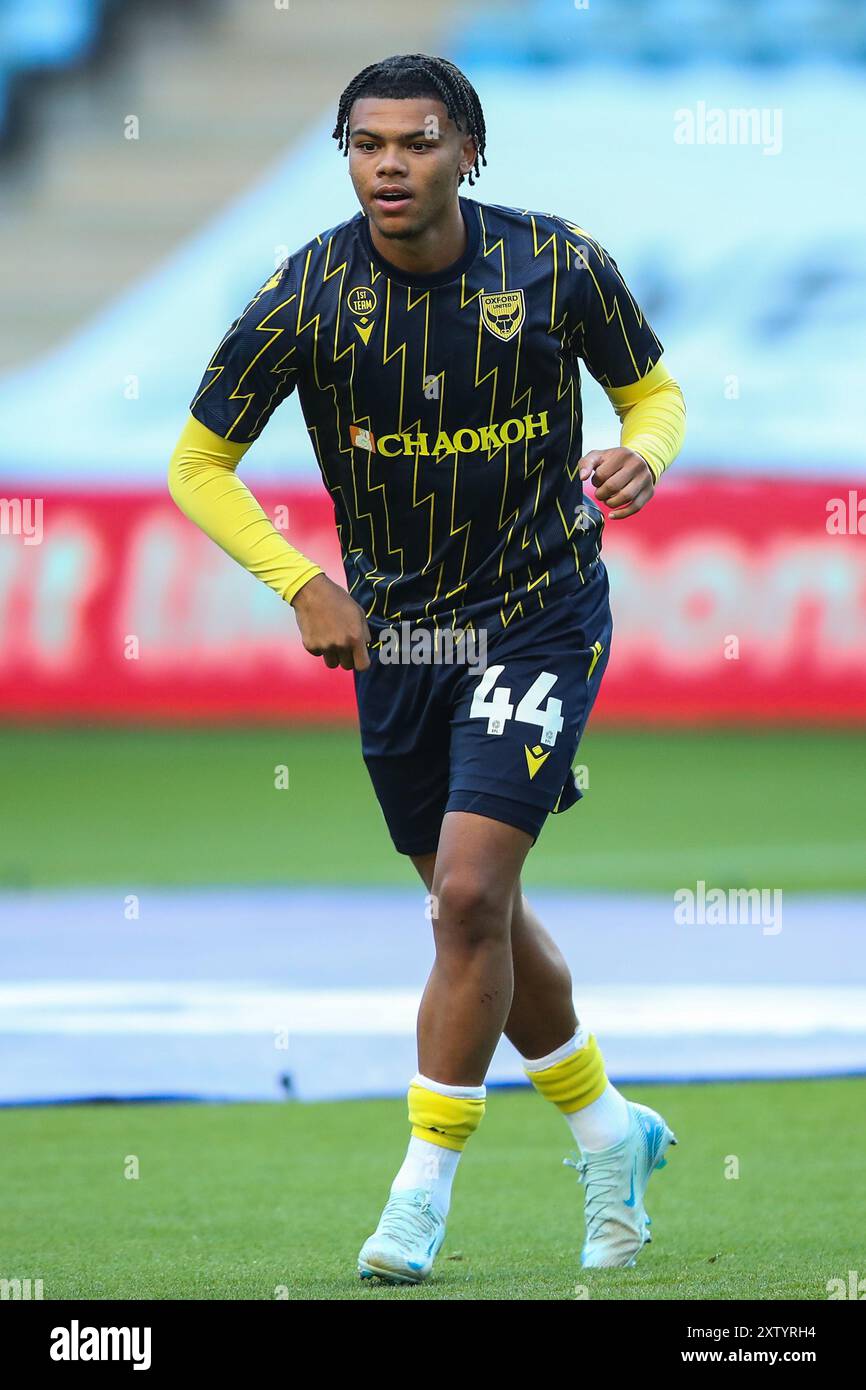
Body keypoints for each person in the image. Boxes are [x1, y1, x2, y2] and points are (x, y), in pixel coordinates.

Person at [168, 52, 686, 1285]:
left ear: (467, 151)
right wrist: (300, 580)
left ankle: (418, 1190)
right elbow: (198, 464)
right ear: (344, 154)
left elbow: (650, 391)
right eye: (364, 144)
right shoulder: (305, 296)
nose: (387, 165)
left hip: (538, 609)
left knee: (462, 899)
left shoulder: (553, 263)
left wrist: (643, 455)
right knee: (477, 913)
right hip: (398, 639)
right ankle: (612, 1132)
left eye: (413, 142)